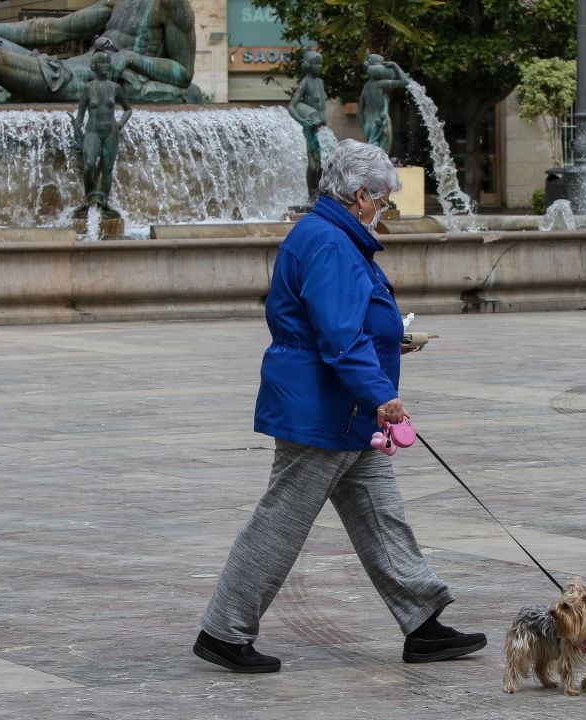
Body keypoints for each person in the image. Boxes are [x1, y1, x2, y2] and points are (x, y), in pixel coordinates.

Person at [194, 139, 486, 673]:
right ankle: (224, 631)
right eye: (384, 201)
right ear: (359, 195)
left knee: (381, 513)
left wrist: (387, 341)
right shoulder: (329, 243)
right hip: (325, 409)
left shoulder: (335, 236)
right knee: (280, 521)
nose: (385, 211)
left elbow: (346, 325)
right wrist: (382, 395)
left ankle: (422, 622)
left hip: (343, 408)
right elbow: (337, 338)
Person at [0, 0, 197, 104]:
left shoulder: (172, 4)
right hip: (63, 69)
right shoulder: (116, 1)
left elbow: (183, 73)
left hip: (79, 80)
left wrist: (132, 58)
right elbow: (57, 29)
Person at [70, 48, 132, 219]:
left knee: (107, 168)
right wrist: (77, 129)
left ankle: (104, 202)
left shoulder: (116, 88)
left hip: (111, 131)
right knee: (89, 165)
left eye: (107, 62)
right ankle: (88, 197)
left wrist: (119, 125)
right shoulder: (88, 88)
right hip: (93, 131)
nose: (105, 66)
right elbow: (81, 114)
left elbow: (128, 109)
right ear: (94, 66)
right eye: (101, 63)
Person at [287, 50, 329, 205]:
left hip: (323, 127)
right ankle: (311, 196)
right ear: (307, 65)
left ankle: (320, 194)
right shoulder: (305, 82)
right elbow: (291, 105)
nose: (319, 66)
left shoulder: (320, 82)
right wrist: (303, 121)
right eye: (316, 63)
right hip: (311, 127)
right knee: (313, 164)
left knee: (323, 164)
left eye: (320, 63)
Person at [358, 54, 409, 154]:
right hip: (381, 121)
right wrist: (395, 66)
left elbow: (359, 112)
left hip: (369, 123)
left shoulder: (366, 88)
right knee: (382, 157)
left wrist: (364, 127)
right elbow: (405, 82)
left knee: (373, 156)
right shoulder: (381, 84)